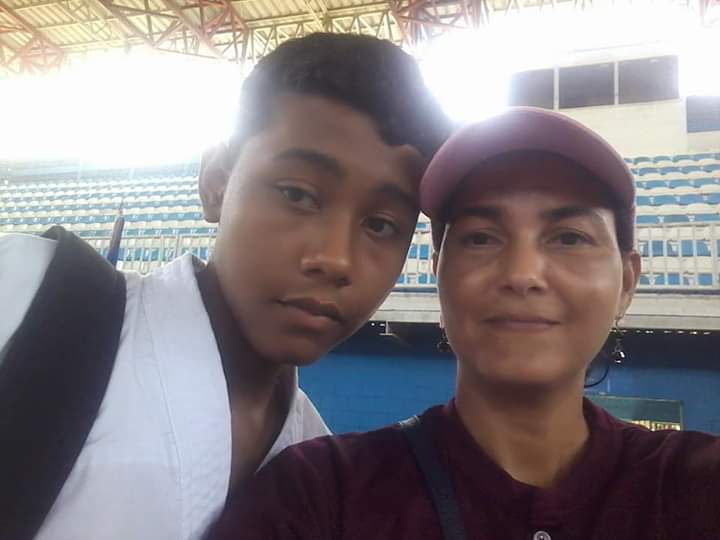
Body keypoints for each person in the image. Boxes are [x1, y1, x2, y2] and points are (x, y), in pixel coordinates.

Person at [0, 33, 450, 540]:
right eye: (297, 194)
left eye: (381, 225)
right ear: (216, 181)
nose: (335, 259)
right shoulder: (28, 293)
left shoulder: (316, 465)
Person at [209, 107, 720, 540]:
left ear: (627, 282)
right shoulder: (318, 495)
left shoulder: (697, 485)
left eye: (569, 238)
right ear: (438, 272)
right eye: (480, 237)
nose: (522, 274)